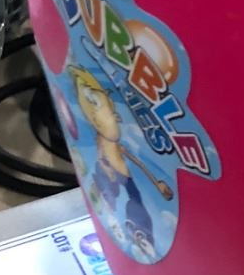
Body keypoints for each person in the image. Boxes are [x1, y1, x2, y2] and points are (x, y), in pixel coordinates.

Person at [67, 65, 170, 261]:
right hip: (109, 177)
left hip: (125, 176)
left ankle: (143, 235)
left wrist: (156, 183)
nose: (96, 117)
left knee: (135, 201)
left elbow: (137, 162)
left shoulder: (119, 145)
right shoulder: (101, 140)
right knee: (112, 197)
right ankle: (130, 230)